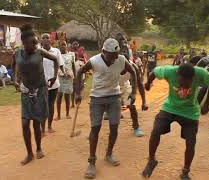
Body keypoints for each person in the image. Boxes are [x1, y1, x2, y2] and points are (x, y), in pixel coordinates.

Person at [75, 38, 137, 179]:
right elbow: (79, 72)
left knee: (114, 128)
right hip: (97, 98)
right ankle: (91, 161)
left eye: (116, 55)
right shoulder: (95, 61)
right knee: (95, 128)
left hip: (114, 97)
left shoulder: (121, 59)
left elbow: (133, 71)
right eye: (111, 55)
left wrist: (133, 92)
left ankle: (109, 153)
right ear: (104, 52)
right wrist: (78, 92)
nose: (114, 59)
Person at [142, 63, 209, 180]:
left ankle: (185, 172)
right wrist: (148, 83)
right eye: (182, 83)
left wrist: (206, 103)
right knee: (156, 130)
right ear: (177, 76)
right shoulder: (169, 71)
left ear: (193, 78)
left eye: (188, 84)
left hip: (190, 111)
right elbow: (154, 72)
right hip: (170, 107)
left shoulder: (200, 73)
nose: (185, 86)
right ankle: (151, 160)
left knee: (191, 142)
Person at [12, 24, 58, 165]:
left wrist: (55, 76)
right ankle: (29, 154)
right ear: (23, 43)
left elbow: (55, 59)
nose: (32, 46)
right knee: (25, 123)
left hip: (40, 90)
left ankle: (38, 148)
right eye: (28, 43)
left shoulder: (40, 52)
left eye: (33, 43)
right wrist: (16, 79)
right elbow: (15, 65)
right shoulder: (18, 53)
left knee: (36, 123)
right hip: (26, 91)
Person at [41, 33, 65, 135]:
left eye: (48, 37)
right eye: (44, 38)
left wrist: (64, 73)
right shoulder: (38, 51)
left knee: (51, 105)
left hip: (54, 83)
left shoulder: (56, 51)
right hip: (42, 84)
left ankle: (49, 126)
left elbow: (60, 64)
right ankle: (42, 129)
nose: (46, 39)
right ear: (40, 40)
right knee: (43, 106)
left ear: (51, 40)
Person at [56, 41, 76, 120]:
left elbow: (73, 66)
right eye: (61, 45)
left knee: (67, 96)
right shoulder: (57, 55)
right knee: (59, 96)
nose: (63, 46)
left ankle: (67, 114)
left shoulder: (71, 55)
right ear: (59, 46)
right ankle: (58, 115)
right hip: (60, 77)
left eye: (64, 45)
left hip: (69, 78)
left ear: (67, 46)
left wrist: (74, 77)